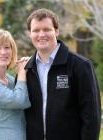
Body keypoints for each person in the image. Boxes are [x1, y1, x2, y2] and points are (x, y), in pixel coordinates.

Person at [25, 8, 101, 140]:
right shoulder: (26, 70)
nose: (41, 34)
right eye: (36, 30)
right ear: (29, 34)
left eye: (47, 29)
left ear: (56, 31)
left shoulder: (80, 65)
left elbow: (91, 115)